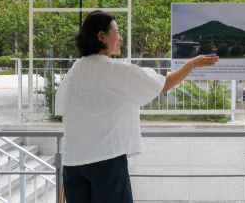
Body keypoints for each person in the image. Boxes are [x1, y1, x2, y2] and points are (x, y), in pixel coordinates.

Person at [55, 11, 218, 203]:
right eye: (116, 31)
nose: (120, 37)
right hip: (105, 161)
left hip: (73, 163)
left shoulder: (75, 70)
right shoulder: (114, 70)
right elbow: (161, 84)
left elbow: (63, 109)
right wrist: (192, 63)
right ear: (101, 36)